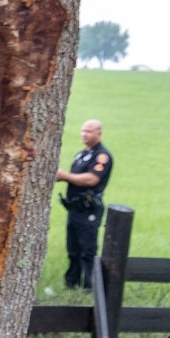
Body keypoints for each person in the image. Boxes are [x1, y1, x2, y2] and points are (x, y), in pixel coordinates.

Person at [56, 119, 113, 290]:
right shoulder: (81, 154)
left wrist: (65, 176)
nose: (84, 134)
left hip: (88, 209)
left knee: (87, 250)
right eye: (83, 131)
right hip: (74, 208)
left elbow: (92, 179)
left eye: (89, 131)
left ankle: (90, 287)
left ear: (98, 133)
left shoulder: (102, 156)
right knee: (72, 248)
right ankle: (71, 283)